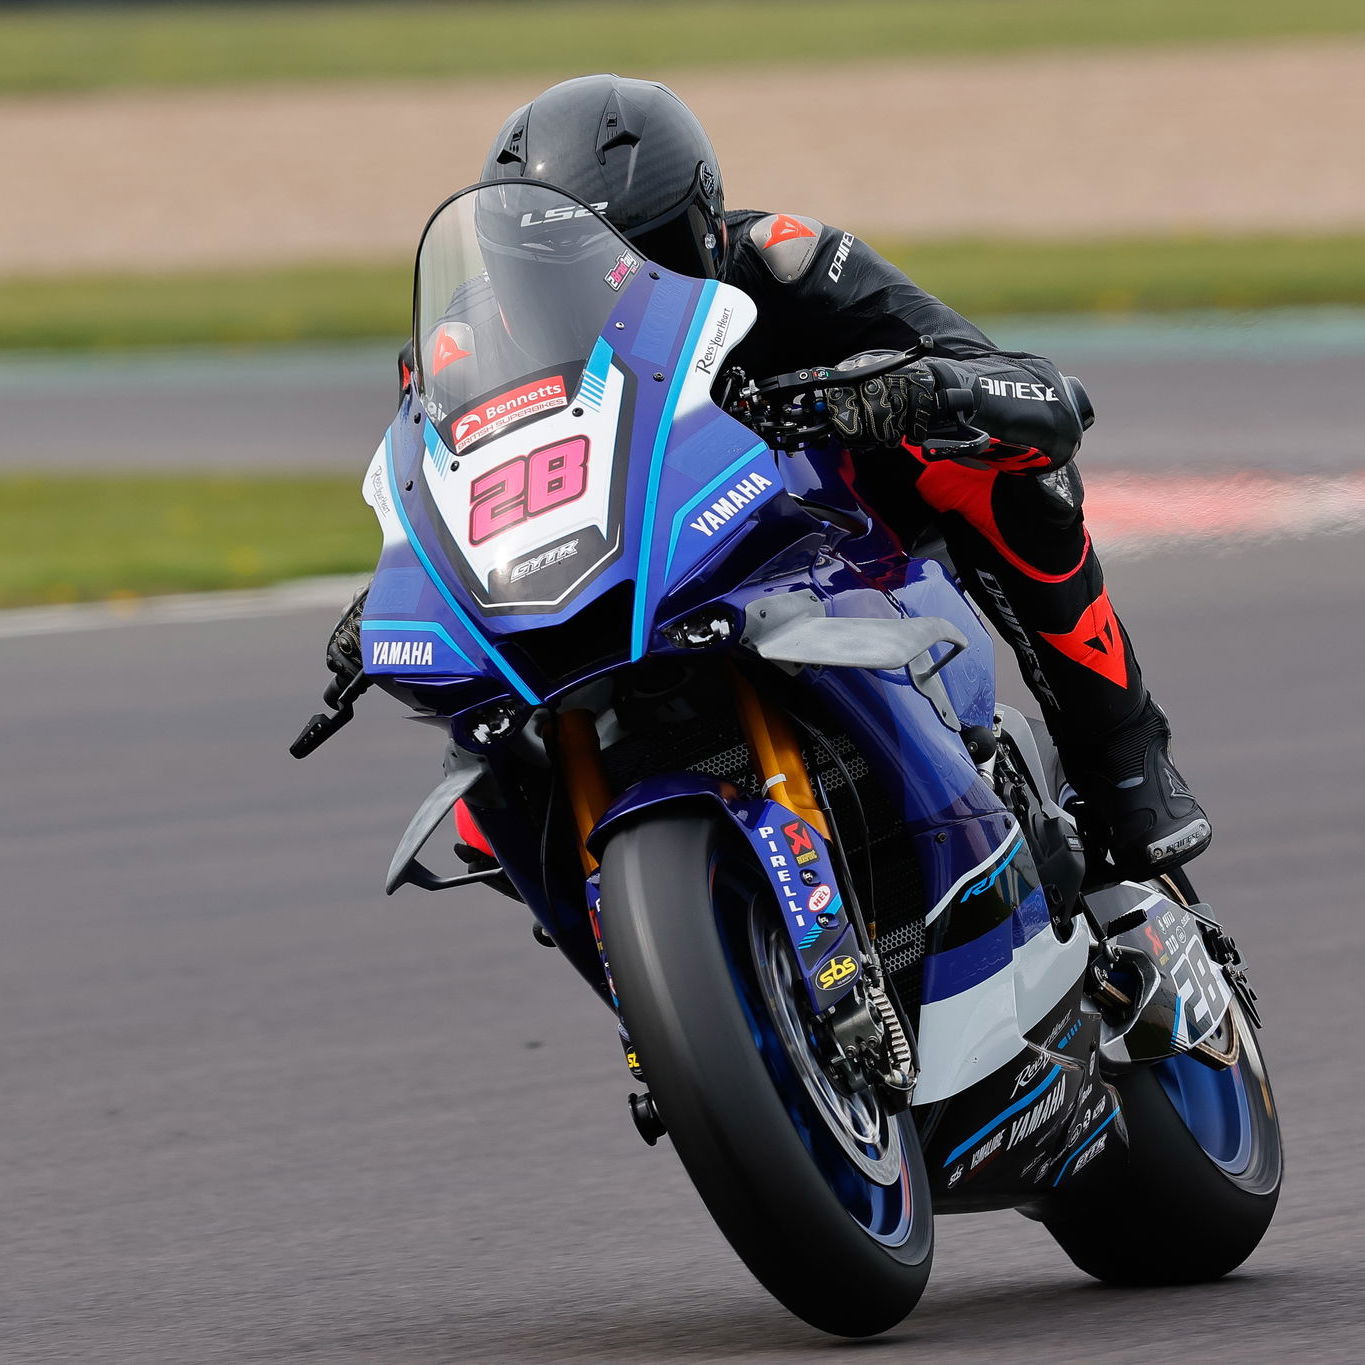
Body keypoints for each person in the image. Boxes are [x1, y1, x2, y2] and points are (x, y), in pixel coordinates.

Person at [327, 74, 1210, 879]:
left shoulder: (789, 261)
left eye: (644, 256)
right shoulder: (457, 348)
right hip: (617, 567)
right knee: (481, 792)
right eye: (551, 278)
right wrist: (403, 584)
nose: (614, 291)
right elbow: (434, 484)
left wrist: (913, 391)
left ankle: (1121, 748)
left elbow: (1038, 396)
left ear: (707, 224)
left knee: (1001, 467)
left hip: (814, 531)